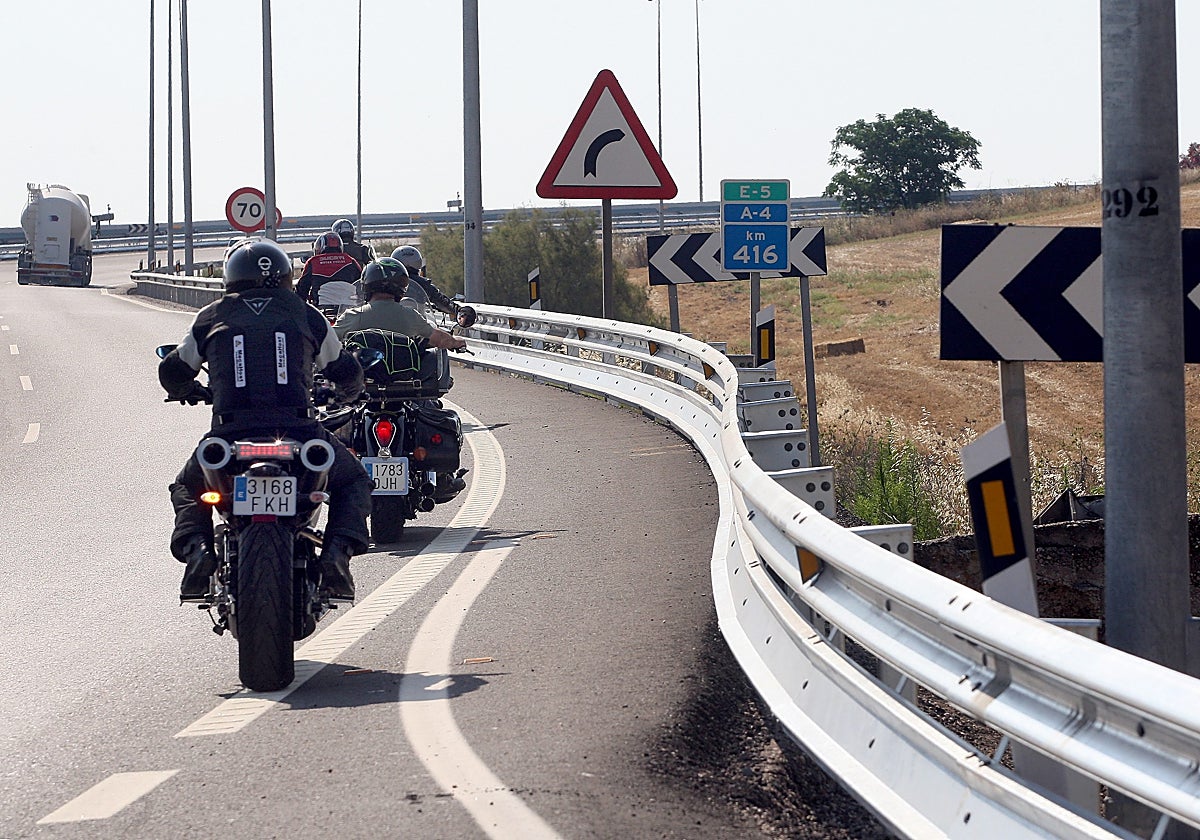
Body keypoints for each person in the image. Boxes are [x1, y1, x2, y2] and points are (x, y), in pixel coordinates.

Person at [159, 237, 374, 600]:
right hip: (299, 430)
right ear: (286, 276)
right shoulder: (306, 315)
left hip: (231, 434)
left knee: (187, 486)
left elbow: (173, 370)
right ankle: (336, 555)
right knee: (353, 480)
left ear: (231, 276)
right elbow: (345, 371)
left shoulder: (211, 316)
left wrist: (187, 390)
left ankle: (198, 553)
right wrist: (347, 394)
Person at [333, 258, 467, 350]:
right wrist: (456, 342)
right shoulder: (411, 317)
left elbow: (328, 339)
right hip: (405, 381)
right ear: (402, 287)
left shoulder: (352, 316)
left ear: (366, 285)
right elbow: (438, 338)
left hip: (363, 383)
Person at [296, 232, 362, 307]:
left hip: (321, 310)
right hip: (348, 308)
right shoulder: (350, 260)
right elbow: (362, 285)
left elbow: (301, 290)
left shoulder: (313, 262)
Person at [390, 245, 459, 317]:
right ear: (418, 262)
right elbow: (441, 301)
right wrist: (457, 309)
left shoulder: (386, 281)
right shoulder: (423, 283)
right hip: (418, 323)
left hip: (390, 322)